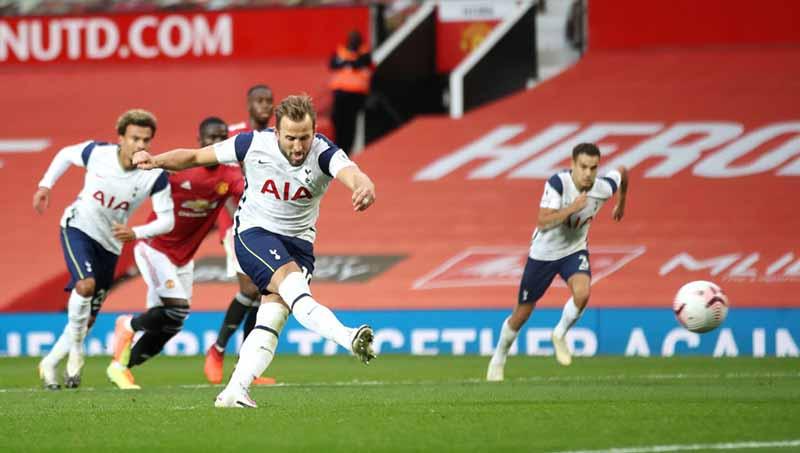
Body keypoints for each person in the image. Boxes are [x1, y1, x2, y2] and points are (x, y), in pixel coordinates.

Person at [133, 94, 377, 408]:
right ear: (277, 133)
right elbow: (195, 158)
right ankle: (348, 336)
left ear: (315, 132)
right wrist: (155, 160)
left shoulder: (324, 153)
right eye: (290, 138)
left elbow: (353, 173)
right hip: (254, 234)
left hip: (299, 244)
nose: (298, 146)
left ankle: (234, 392)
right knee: (295, 290)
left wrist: (364, 185)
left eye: (304, 137)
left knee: (273, 317)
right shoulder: (252, 143)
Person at [33, 110, 174, 390]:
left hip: (110, 245)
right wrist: (45, 185)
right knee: (86, 286)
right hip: (78, 228)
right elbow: (64, 155)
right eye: (135, 138)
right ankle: (75, 355)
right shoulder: (97, 153)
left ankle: (49, 363)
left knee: (87, 319)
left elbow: (167, 220)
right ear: (121, 138)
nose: (140, 146)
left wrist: (136, 232)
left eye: (146, 140)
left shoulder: (154, 175)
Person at [106, 117, 246, 389]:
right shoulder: (179, 168)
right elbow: (141, 180)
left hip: (183, 258)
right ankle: (128, 325)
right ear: (199, 140)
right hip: (154, 248)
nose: (216, 143)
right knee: (176, 306)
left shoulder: (229, 176)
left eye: (222, 138)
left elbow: (249, 196)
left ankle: (120, 366)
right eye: (211, 138)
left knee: (173, 323)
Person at [487, 143, 629, 381]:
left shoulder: (602, 187)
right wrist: (572, 208)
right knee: (522, 314)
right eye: (583, 167)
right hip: (543, 254)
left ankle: (560, 333)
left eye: (593, 168)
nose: (588, 173)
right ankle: (499, 356)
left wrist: (620, 203)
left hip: (573, 251)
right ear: (572, 164)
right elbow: (542, 221)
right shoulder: (558, 184)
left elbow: (623, 172)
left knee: (583, 294)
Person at [205, 84, 277, 385]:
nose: (264, 106)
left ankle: (246, 366)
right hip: (235, 223)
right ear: (248, 105)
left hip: (267, 223)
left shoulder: (278, 137)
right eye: (258, 101)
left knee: (263, 295)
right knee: (249, 290)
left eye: (268, 101)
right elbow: (212, 172)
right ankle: (217, 349)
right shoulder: (232, 136)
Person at [329, 30, 372, 155]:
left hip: (356, 95)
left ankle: (347, 150)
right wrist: (347, 62)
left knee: (350, 124)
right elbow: (333, 63)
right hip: (340, 93)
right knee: (337, 121)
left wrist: (347, 62)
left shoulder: (365, 53)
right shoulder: (340, 51)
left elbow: (361, 63)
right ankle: (337, 148)